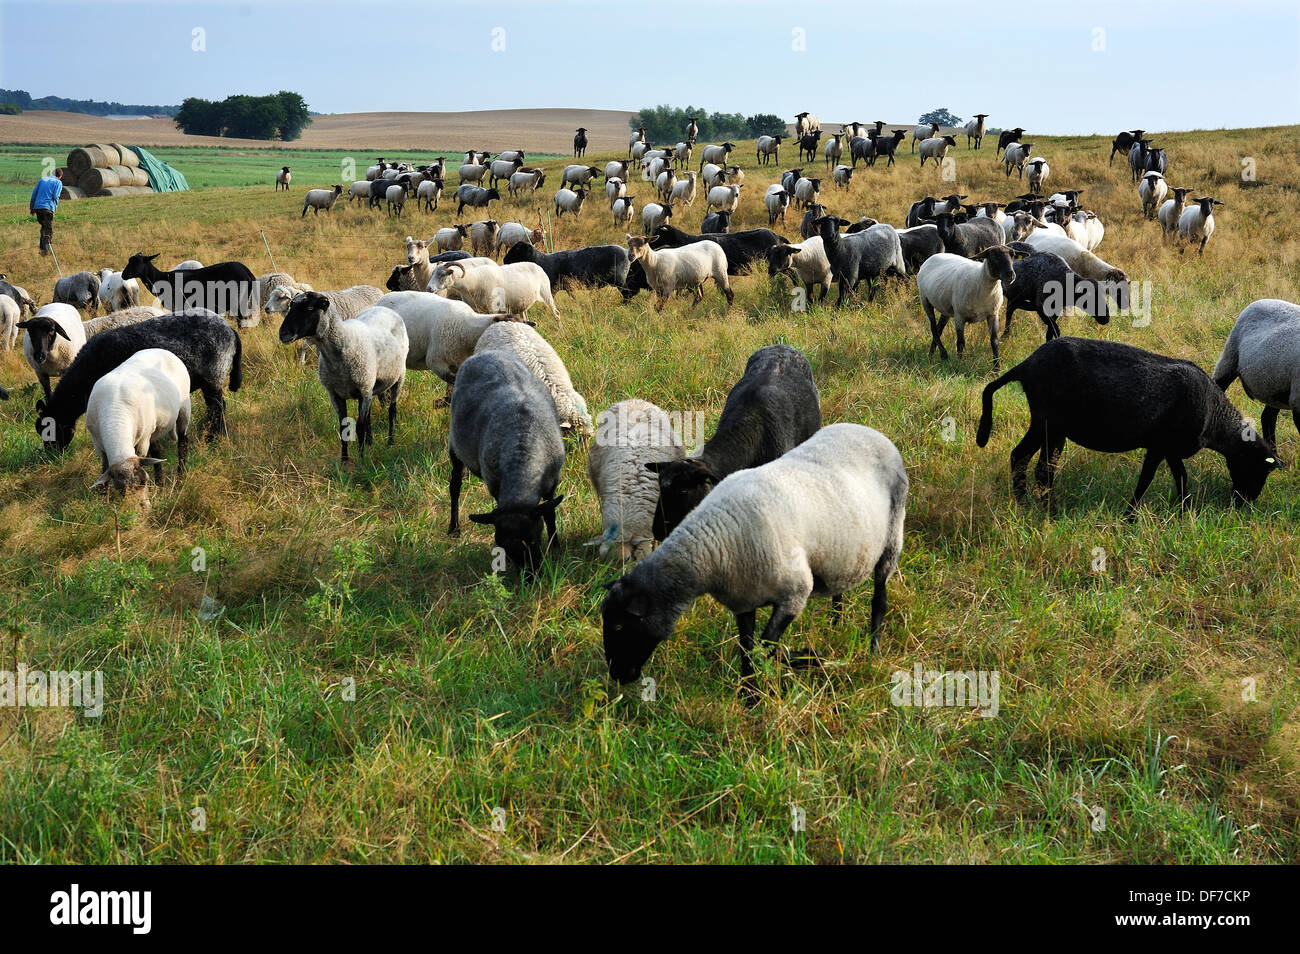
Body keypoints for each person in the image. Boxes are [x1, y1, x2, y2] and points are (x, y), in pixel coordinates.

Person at [29, 168, 63, 256]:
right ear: (60, 176)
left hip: (37, 208)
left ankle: (42, 250)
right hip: (47, 208)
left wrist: (32, 208)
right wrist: (54, 208)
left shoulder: (43, 180)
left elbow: (34, 194)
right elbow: (56, 196)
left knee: (44, 228)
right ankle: (45, 252)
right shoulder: (58, 182)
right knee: (48, 230)